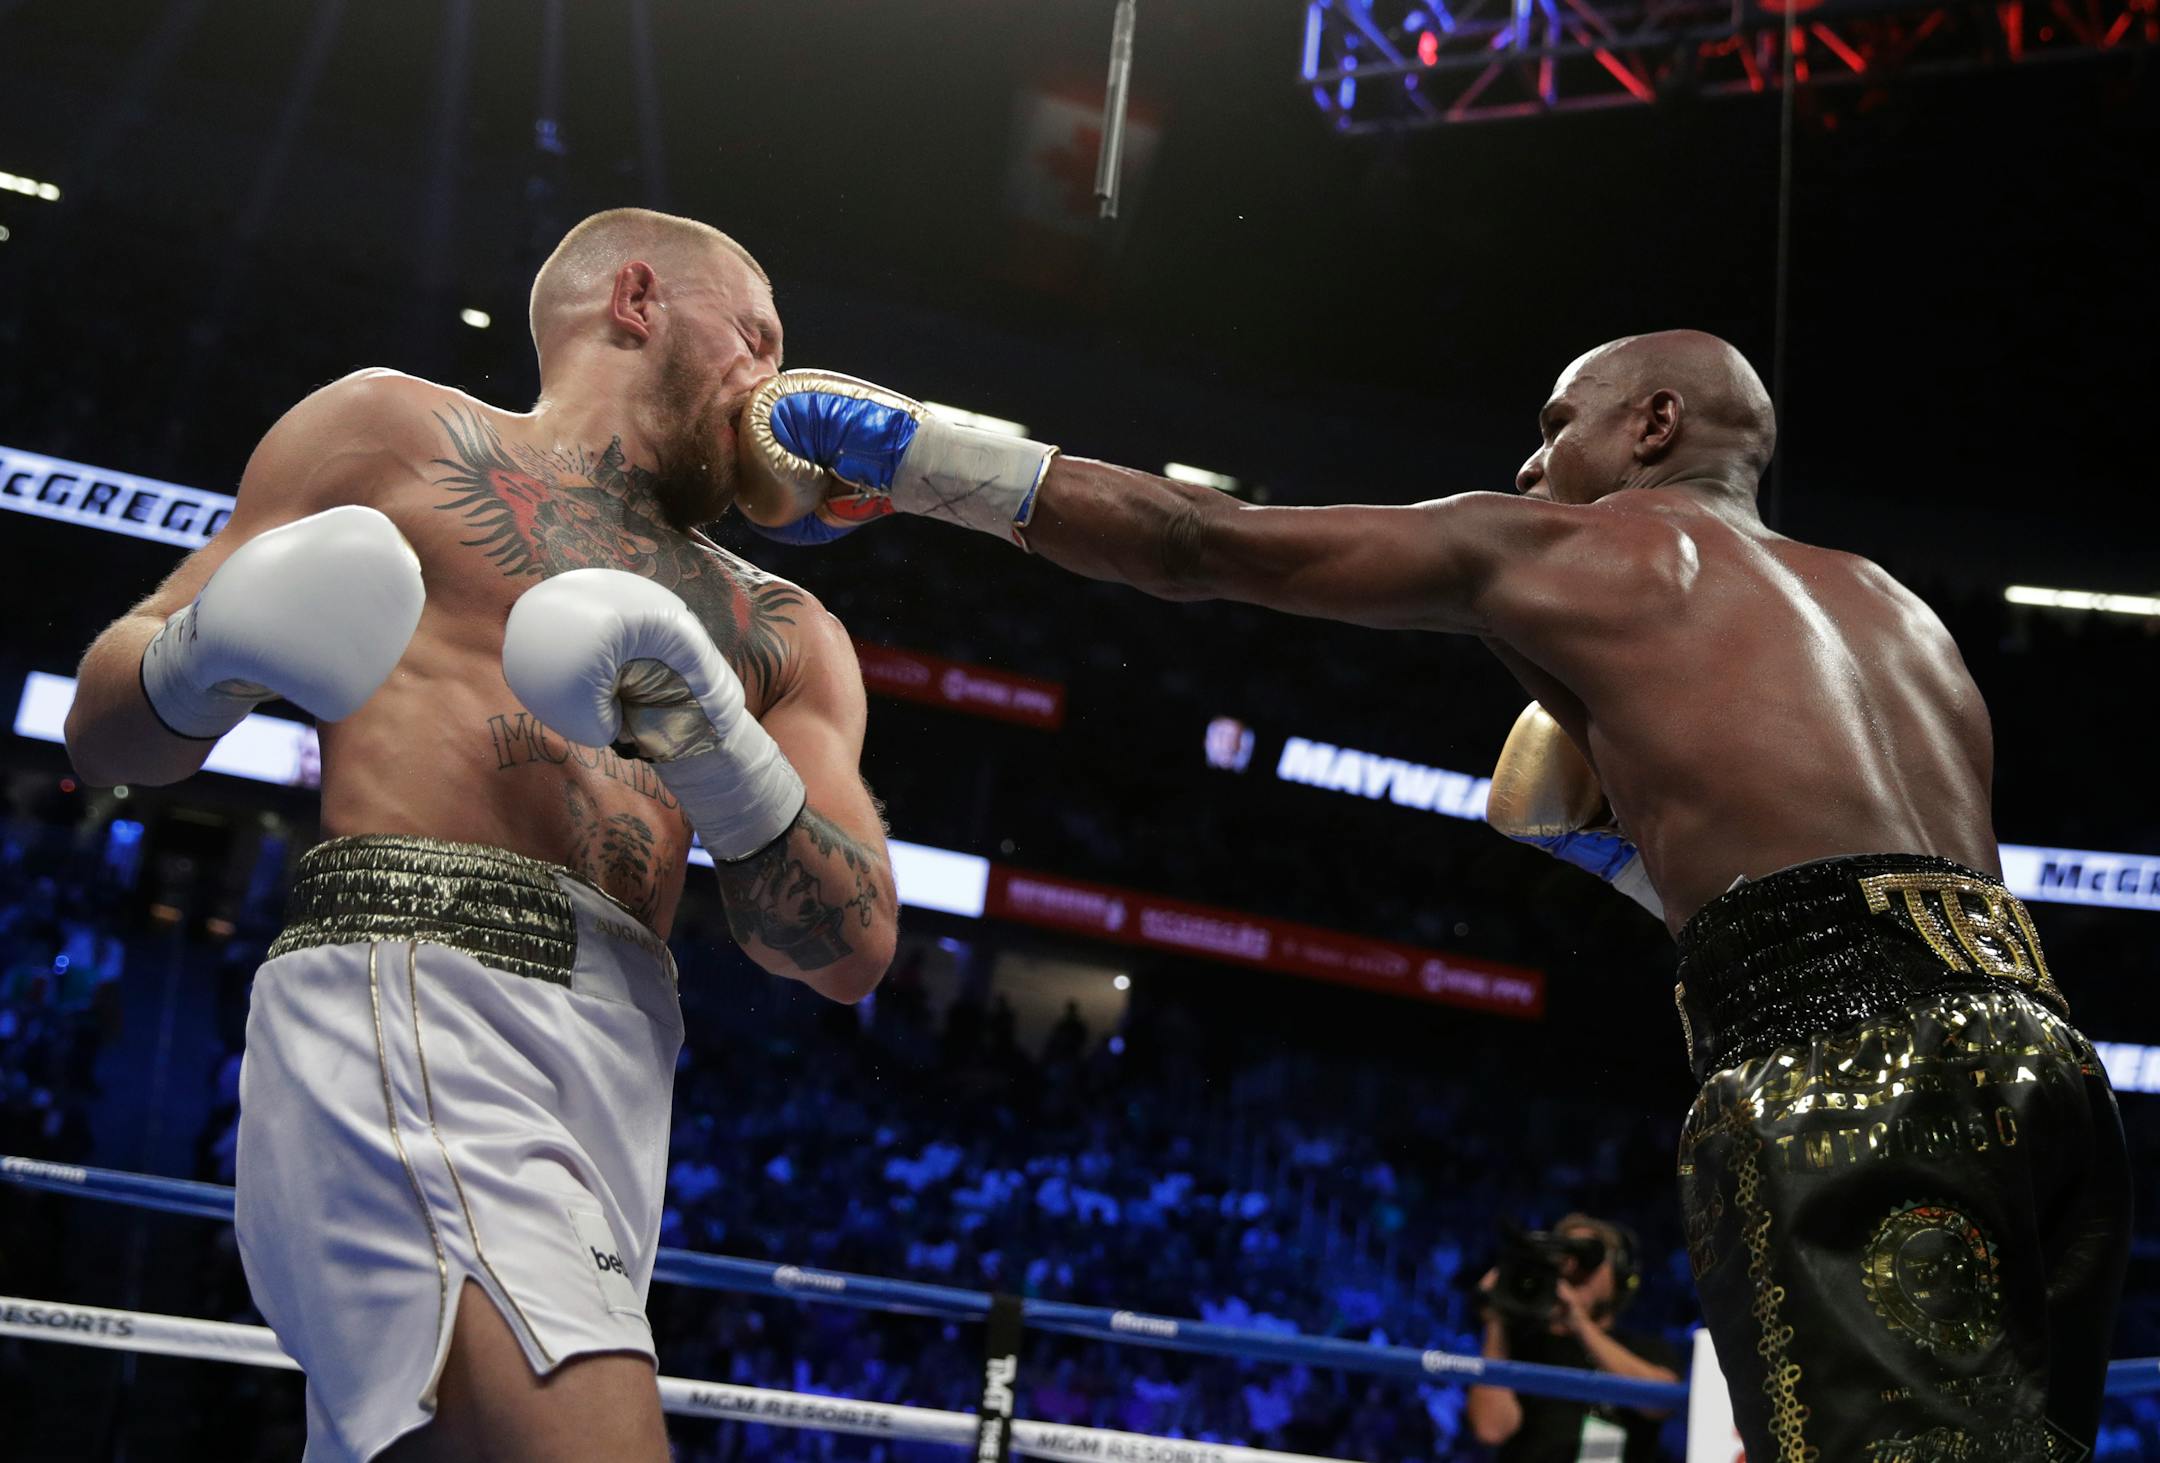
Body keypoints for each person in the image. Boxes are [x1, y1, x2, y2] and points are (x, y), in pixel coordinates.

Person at [735, 334, 2131, 1460]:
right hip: (2045, 1061)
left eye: (1556, 419)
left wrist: (928, 456)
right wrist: (1638, 867)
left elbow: (1194, 539)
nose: (1532, 457)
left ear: (1651, 425)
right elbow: (1873, 897)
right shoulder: (1898, 608)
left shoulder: (1568, 547)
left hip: (1839, 1070)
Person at [63, 208, 900, 1462]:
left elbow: (850, 947)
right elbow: (103, 736)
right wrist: (205, 653)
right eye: (757, 337)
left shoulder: (783, 629)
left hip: (622, 1068)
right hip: (418, 991)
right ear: (636, 299)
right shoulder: (396, 433)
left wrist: (717, 741)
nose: (775, 385)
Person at [1466, 1215, 1681, 1462]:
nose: (1574, 1267)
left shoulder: (1643, 1348)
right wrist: (1497, 1318)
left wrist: (1579, 1323)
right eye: (1565, 1256)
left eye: (1589, 1257)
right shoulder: (1521, 1346)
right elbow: (1491, 1430)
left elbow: (1659, 1404)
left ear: (1619, 1273)